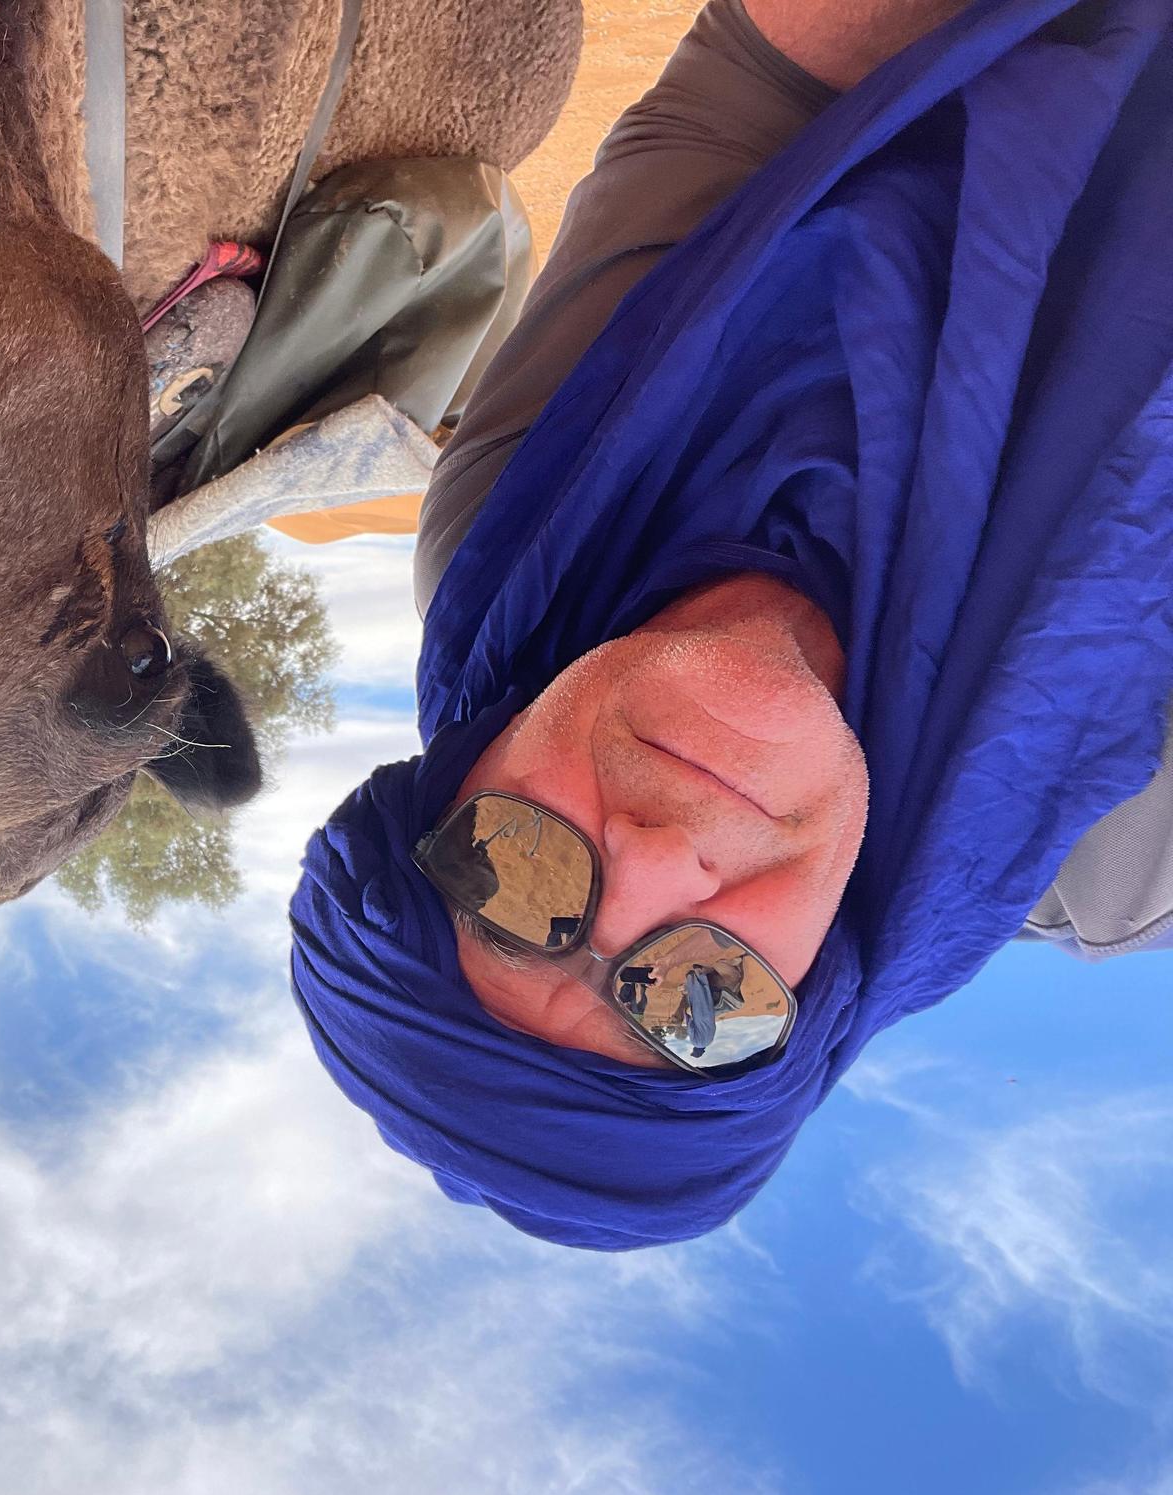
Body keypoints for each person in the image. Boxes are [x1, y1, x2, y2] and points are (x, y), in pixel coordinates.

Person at [287, 0, 1173, 1249]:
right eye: (701, 1000)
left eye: (517, 878)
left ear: (451, 780)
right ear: (814, 1000)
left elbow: (749, 93)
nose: (658, 862)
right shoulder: (1128, 853)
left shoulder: (521, 532)